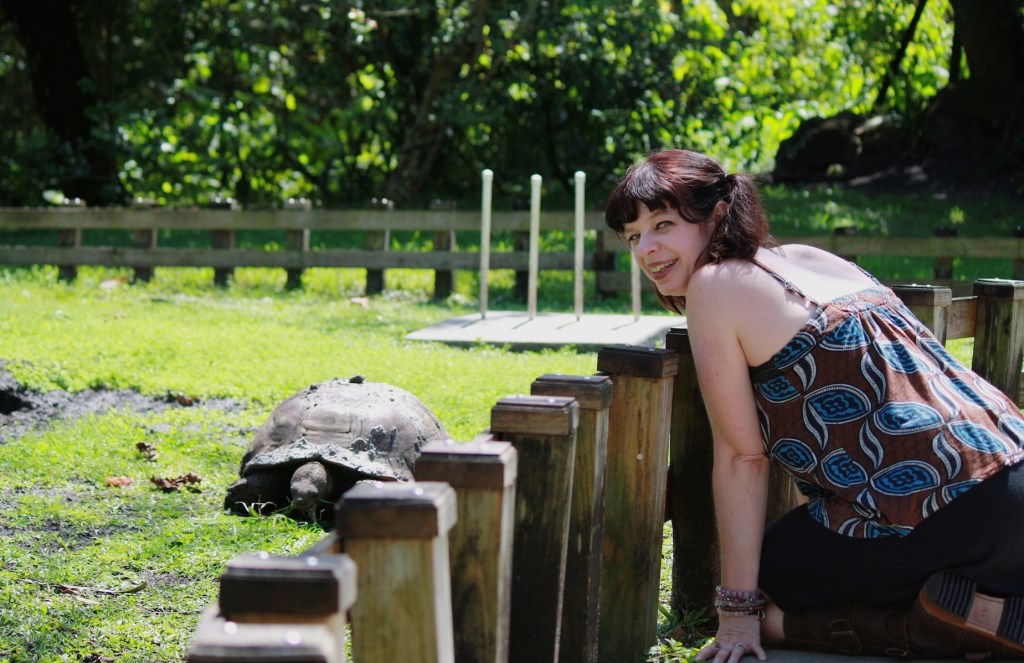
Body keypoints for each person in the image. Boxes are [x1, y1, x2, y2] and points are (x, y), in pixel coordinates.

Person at [604, 148, 1024, 662]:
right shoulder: (809, 258)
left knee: (768, 575)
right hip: (1010, 475)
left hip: (957, 507)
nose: (646, 249)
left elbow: (743, 458)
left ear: (715, 213)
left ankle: (934, 626)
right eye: (633, 236)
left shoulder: (716, 285)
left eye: (663, 224)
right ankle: (989, 608)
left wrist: (738, 616)